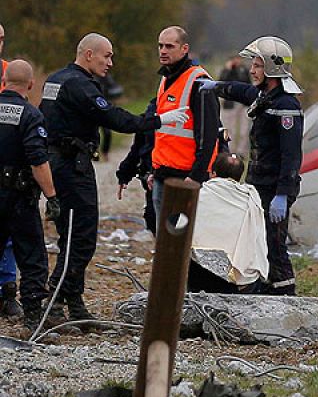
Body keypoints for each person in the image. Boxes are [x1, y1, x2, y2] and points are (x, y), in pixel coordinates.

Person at [41, 33, 186, 322]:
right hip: (71, 166)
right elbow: (116, 119)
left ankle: (74, 302)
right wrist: (160, 120)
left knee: (73, 236)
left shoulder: (56, 79)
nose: (111, 62)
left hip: (61, 163)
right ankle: (55, 301)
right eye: (106, 56)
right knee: (79, 238)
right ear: (89, 54)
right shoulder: (80, 85)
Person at [200, 36, 303, 296]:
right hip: (259, 184)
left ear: (271, 68)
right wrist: (216, 86)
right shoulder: (265, 96)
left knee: (275, 242)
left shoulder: (286, 106)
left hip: (275, 187)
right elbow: (242, 91)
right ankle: (267, 292)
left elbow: (291, 156)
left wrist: (282, 192)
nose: (252, 71)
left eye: (257, 66)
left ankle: (287, 297)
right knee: (260, 241)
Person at [0, 60, 57, 325]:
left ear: (4, 82)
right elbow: (38, 161)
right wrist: (52, 196)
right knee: (32, 256)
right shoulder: (31, 115)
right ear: (31, 84)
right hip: (20, 197)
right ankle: (33, 316)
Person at [148, 27, 220, 217]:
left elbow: (209, 136)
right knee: (164, 238)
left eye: (170, 46)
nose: (163, 51)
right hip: (163, 174)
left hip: (186, 177)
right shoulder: (165, 78)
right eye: (161, 46)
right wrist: (153, 170)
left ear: (184, 48)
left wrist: (196, 177)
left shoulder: (199, 82)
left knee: (181, 239)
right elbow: (161, 131)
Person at [187, 153, 269, 293]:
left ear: (213, 173)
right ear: (239, 176)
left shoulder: (198, 197)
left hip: (201, 275)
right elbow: (258, 241)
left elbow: (179, 234)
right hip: (238, 278)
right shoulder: (251, 199)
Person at [115, 96, 158, 234]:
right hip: (153, 178)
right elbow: (137, 149)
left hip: (182, 178)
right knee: (153, 219)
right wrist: (124, 174)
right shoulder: (152, 112)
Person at [0, 22, 17, 319]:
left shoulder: (9, 72)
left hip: (7, 165)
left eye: (1, 38)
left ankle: (7, 290)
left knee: (10, 230)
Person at [217, 54, 249, 154]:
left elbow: (247, 83)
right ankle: (229, 150)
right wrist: (228, 69)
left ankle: (241, 151)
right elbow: (221, 81)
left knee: (244, 129)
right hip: (229, 103)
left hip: (242, 102)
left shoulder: (243, 70)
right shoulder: (226, 70)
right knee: (229, 128)